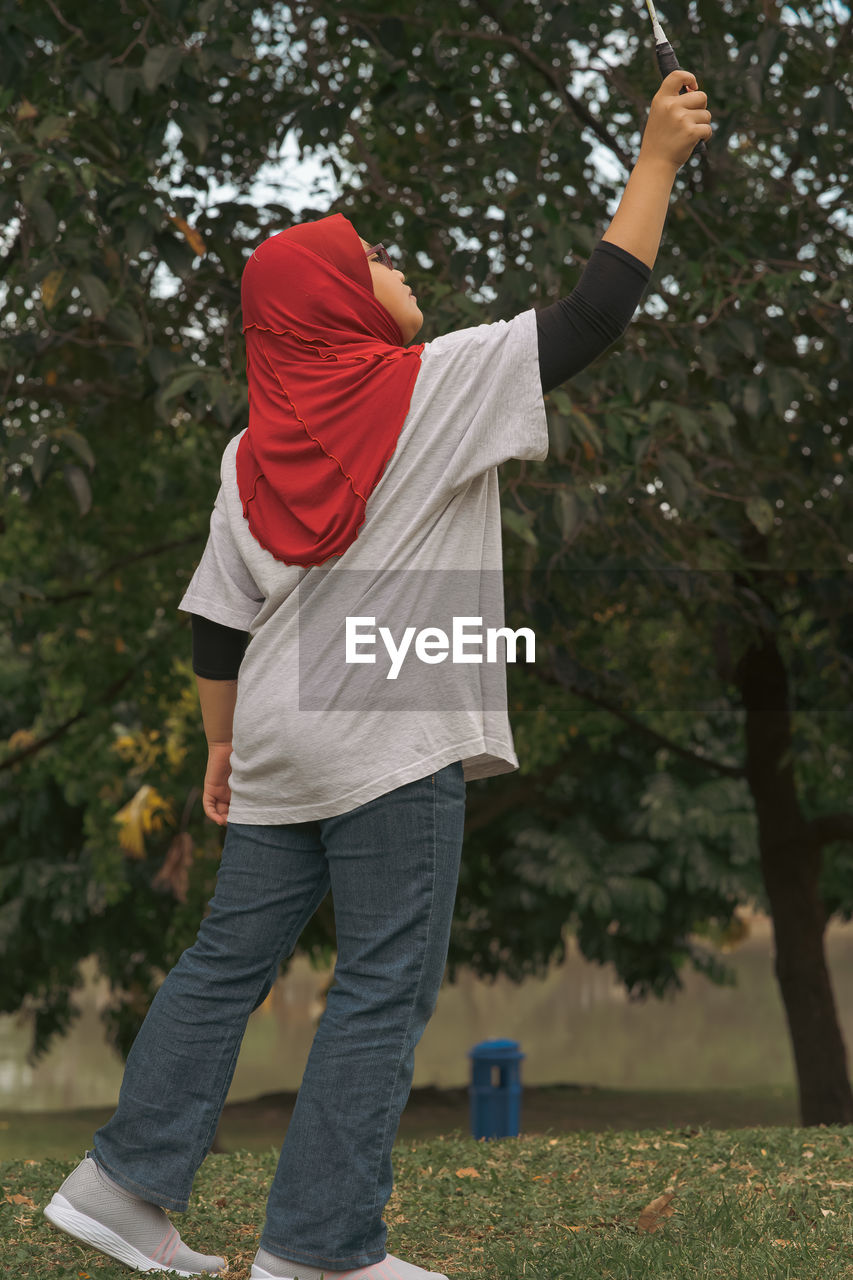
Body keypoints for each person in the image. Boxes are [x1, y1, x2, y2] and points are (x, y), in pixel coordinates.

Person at [43, 69, 712, 1280]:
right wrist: (657, 156)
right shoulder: (433, 384)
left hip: (285, 732)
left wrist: (218, 742)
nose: (401, 271)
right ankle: (322, 1249)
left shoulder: (250, 449)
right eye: (379, 260)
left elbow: (215, 618)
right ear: (339, 301)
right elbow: (594, 310)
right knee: (383, 979)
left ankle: (120, 1187)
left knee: (225, 961)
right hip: (389, 721)